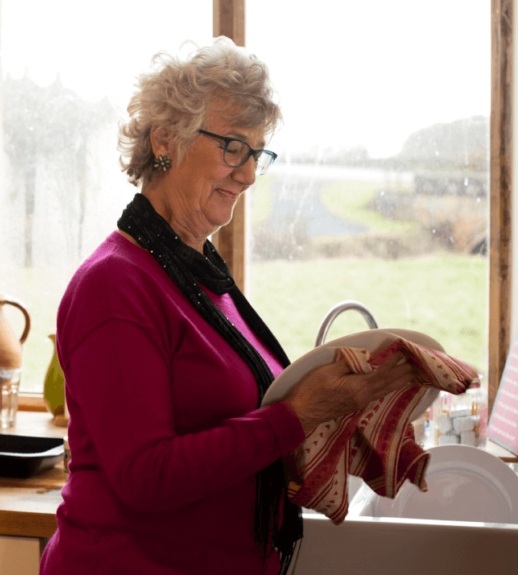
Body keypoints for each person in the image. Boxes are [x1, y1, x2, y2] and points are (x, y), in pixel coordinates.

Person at [39, 38, 419, 575]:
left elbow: (240, 434)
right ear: (165, 139)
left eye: (258, 153)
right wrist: (298, 414)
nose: (248, 174)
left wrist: (354, 430)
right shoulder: (115, 285)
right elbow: (147, 475)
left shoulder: (197, 274)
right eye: (233, 147)